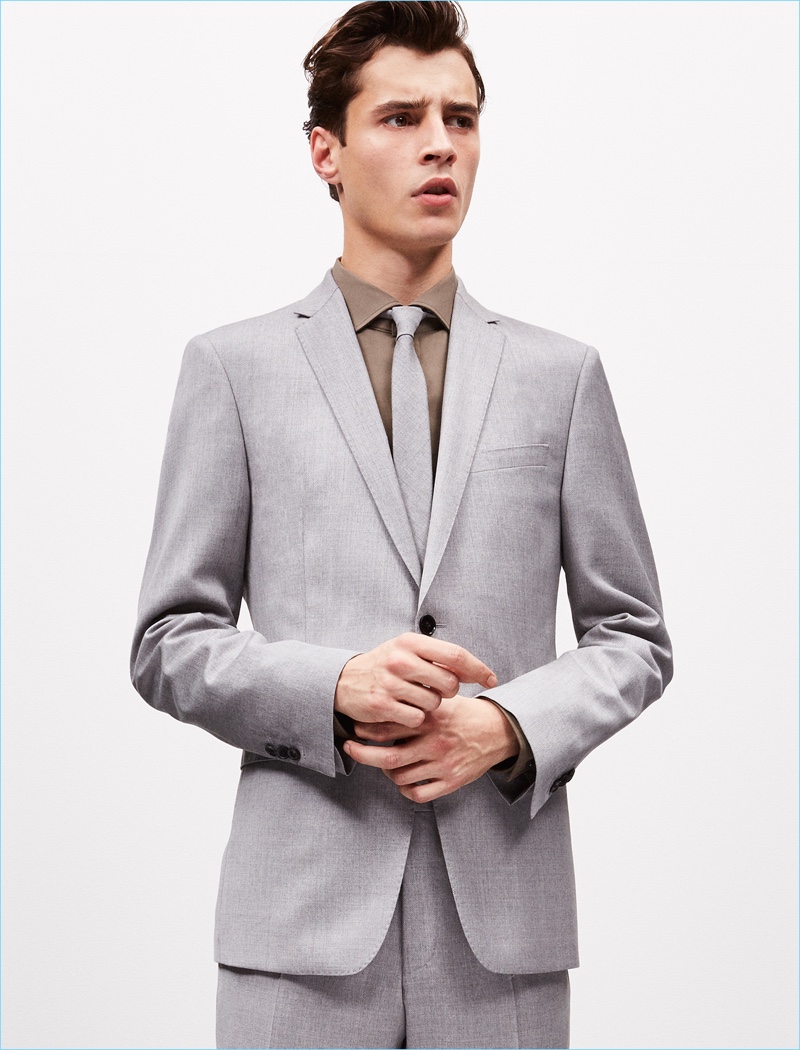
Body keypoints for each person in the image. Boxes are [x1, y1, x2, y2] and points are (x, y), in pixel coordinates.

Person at [131, 3, 673, 1047]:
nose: (440, 144)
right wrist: (330, 686)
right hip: (297, 935)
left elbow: (634, 638)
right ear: (324, 153)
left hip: (501, 937)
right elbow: (167, 642)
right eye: (400, 117)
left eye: (460, 119)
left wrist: (508, 725)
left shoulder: (560, 377)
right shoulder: (232, 370)